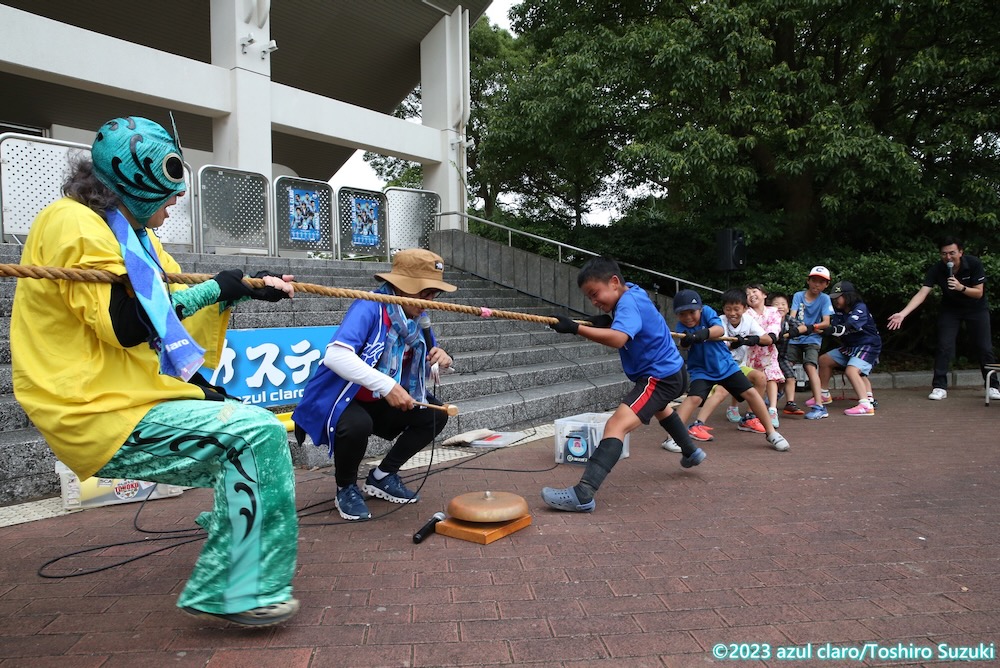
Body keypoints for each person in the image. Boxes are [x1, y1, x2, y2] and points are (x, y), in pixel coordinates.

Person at [10, 116, 299, 627]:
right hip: (95, 409)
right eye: (168, 193)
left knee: (262, 427)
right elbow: (127, 325)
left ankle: (234, 535)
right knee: (253, 436)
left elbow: (170, 312)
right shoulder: (70, 223)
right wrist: (218, 288)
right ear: (138, 182)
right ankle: (235, 589)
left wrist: (247, 287)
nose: (174, 204)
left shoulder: (136, 236)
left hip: (136, 396)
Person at [292, 249, 455, 521]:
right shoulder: (369, 306)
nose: (430, 300)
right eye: (423, 292)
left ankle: (382, 475)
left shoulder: (419, 319)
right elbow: (336, 355)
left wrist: (442, 360)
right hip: (343, 396)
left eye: (434, 293)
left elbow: (424, 359)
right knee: (357, 425)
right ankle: (345, 487)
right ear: (401, 286)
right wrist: (387, 385)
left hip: (381, 397)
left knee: (436, 415)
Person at [540, 257, 705, 513]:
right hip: (673, 372)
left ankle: (584, 493)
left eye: (595, 294)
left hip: (658, 377)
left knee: (616, 425)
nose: (594, 301)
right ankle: (691, 451)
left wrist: (575, 328)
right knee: (661, 408)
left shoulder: (628, 302)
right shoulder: (633, 295)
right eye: (590, 298)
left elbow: (618, 338)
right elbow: (626, 325)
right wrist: (601, 320)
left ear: (614, 282)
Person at [667, 289, 790, 452]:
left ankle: (771, 433)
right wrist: (686, 341)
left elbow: (719, 330)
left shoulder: (708, 312)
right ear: (677, 315)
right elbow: (685, 344)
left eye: (692, 312)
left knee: (751, 393)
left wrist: (700, 335)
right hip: (701, 369)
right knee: (694, 399)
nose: (688, 317)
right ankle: (671, 438)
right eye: (683, 314)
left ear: (700, 309)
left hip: (726, 366)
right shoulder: (681, 326)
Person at [887, 236, 999, 400]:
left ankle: (993, 386)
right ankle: (939, 386)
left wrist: (961, 287)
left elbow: (978, 292)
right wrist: (903, 314)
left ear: (960, 252)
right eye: (944, 254)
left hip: (976, 309)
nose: (948, 257)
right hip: (951, 310)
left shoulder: (974, 264)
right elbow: (923, 292)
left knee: (984, 347)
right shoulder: (937, 269)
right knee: (944, 346)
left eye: (952, 253)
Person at [685, 288, 772, 436]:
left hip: (738, 366)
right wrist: (733, 344)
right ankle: (698, 424)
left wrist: (752, 340)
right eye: (728, 309)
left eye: (736, 309)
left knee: (761, 378)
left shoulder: (749, 320)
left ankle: (749, 418)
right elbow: (717, 340)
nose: (732, 313)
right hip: (721, 365)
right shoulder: (719, 321)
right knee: (721, 390)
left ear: (745, 308)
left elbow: (768, 339)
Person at [817, 281, 882, 415]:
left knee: (852, 371)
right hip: (850, 347)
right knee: (824, 360)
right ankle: (823, 395)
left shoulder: (860, 307)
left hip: (867, 345)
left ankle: (865, 405)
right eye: (833, 298)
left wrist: (827, 331)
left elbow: (845, 328)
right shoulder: (838, 311)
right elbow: (833, 328)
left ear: (848, 296)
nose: (835, 301)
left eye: (838, 297)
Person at [788, 266, 835, 420]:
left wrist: (810, 327)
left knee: (810, 367)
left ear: (826, 285)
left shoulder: (825, 299)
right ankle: (781, 400)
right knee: (786, 366)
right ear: (808, 281)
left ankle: (820, 406)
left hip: (813, 339)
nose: (817, 284)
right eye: (814, 280)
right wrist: (796, 328)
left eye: (821, 282)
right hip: (795, 338)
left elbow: (826, 323)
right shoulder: (798, 296)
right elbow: (792, 317)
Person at [745, 283, 785, 427]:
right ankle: (735, 407)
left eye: (754, 291)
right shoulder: (746, 313)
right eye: (748, 294)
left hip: (769, 351)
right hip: (749, 352)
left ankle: (772, 409)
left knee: (772, 378)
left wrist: (769, 337)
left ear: (764, 295)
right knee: (746, 381)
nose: (751, 295)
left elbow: (774, 329)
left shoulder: (773, 311)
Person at [767, 293, 805, 415]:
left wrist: (795, 331)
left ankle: (790, 403)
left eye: (783, 304)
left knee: (790, 377)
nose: (780, 307)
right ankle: (762, 404)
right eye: (776, 304)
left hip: (781, 356)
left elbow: (803, 327)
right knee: (769, 380)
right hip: (767, 357)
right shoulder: (768, 319)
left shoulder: (788, 320)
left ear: (788, 308)